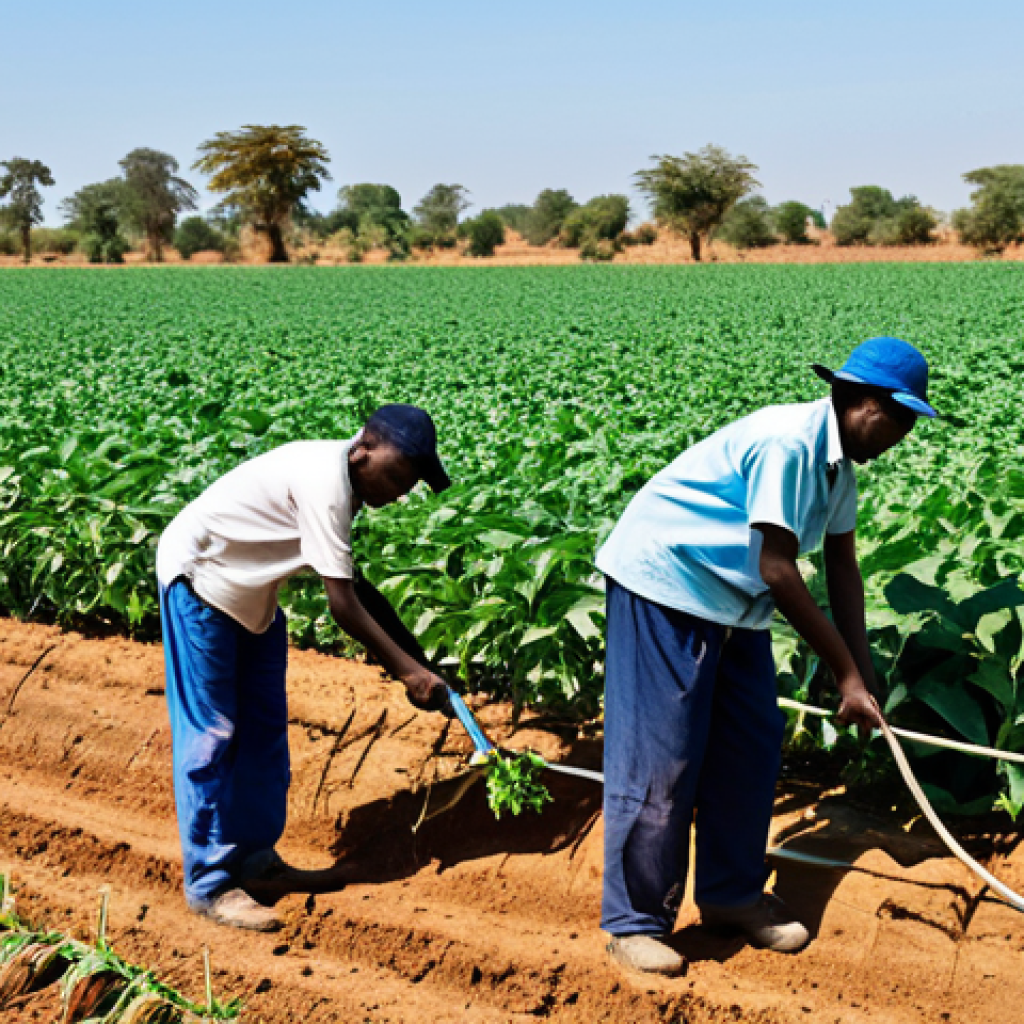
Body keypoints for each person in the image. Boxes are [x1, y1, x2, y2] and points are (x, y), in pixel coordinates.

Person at [594, 337, 937, 976]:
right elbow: (779, 569)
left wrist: (862, 675)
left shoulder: (839, 468)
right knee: (662, 757)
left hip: (729, 598)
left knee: (750, 743)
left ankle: (731, 896)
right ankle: (634, 923)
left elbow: (843, 571)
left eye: (911, 422)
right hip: (665, 579)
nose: (902, 435)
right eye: (899, 418)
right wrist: (842, 674)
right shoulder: (789, 442)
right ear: (862, 401)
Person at [156, 404, 453, 931]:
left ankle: (255, 862)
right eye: (399, 474)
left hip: (251, 595)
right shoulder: (326, 482)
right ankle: (211, 884)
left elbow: (356, 586)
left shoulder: (344, 484)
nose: (400, 491)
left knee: (265, 733)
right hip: (200, 581)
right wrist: (409, 674)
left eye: (410, 483)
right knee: (212, 735)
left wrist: (420, 662)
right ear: (362, 448)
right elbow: (342, 605)